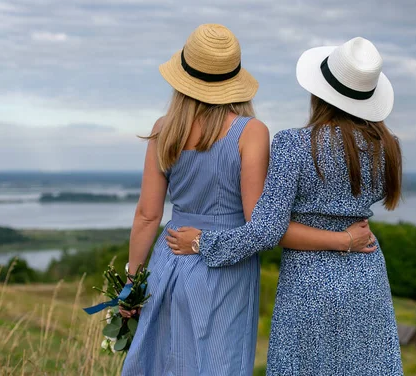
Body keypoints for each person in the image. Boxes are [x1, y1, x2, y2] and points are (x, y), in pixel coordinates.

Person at [121, 25, 375, 376]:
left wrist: (132, 283)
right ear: (234, 79)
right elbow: (260, 224)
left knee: (165, 362)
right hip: (225, 268)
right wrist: (344, 239)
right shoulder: (251, 131)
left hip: (171, 256)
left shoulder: (164, 129)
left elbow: (147, 215)